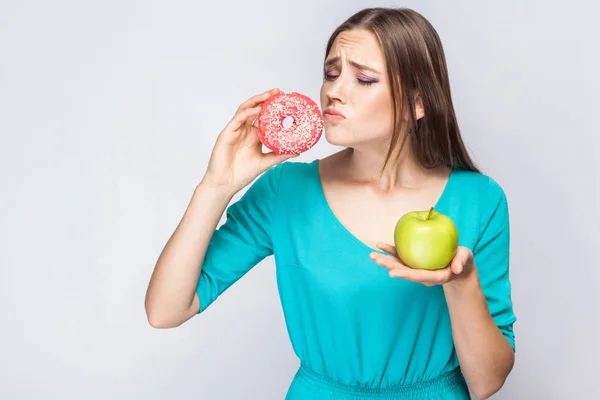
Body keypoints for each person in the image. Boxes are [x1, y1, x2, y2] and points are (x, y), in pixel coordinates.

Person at [144, 7, 516, 400]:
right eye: (332, 73)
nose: (333, 91)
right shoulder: (287, 190)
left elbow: (487, 382)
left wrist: (461, 282)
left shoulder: (480, 199)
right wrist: (216, 186)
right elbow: (166, 310)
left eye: (364, 78)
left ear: (417, 104)